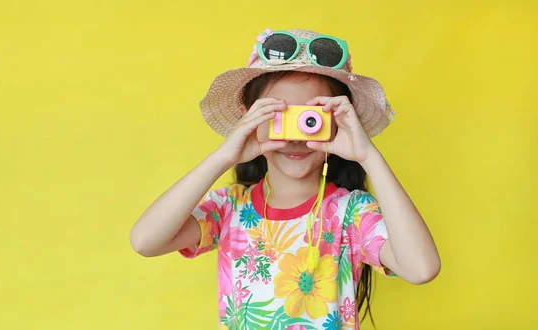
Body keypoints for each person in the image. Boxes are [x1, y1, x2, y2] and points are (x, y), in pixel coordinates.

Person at [130, 28, 440, 330]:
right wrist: (223, 156)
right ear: (248, 116)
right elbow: (145, 241)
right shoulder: (228, 208)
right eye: (278, 117)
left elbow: (421, 268)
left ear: (339, 122)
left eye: (310, 120)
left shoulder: (352, 214)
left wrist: (368, 156)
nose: (295, 138)